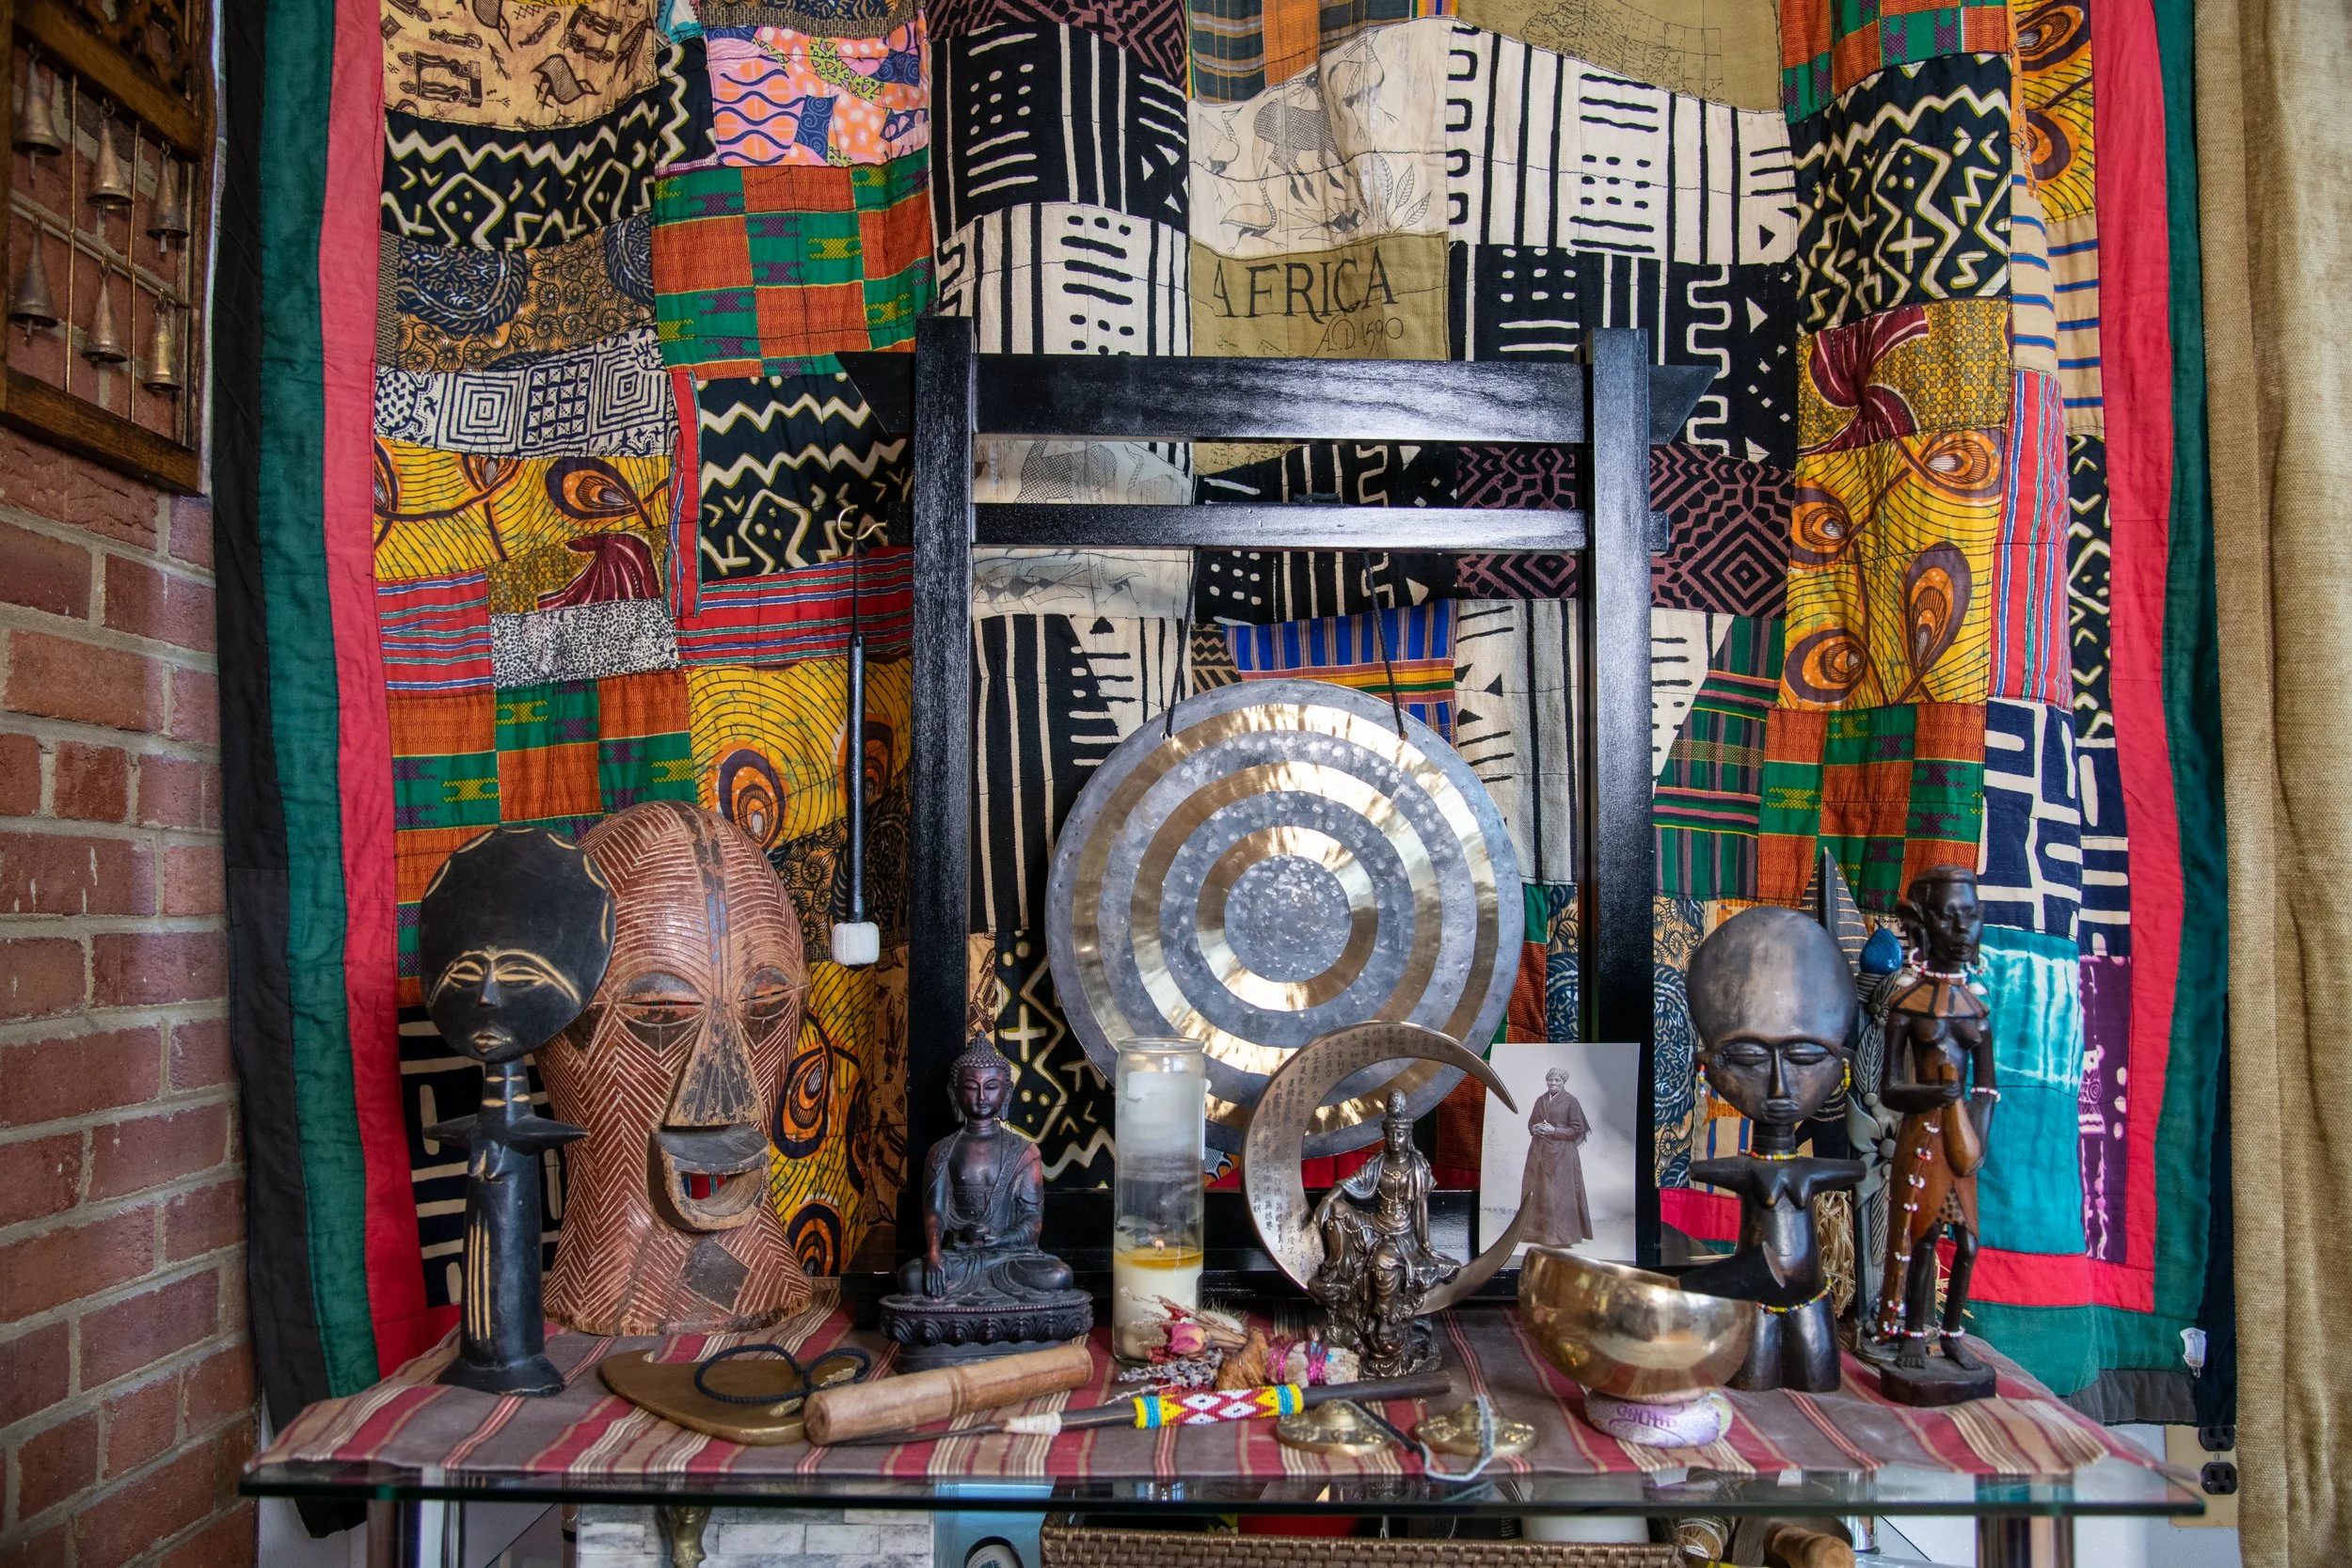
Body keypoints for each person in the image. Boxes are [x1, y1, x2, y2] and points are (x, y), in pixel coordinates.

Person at [1523, 1066, 1595, 1246]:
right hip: (1539, 1151)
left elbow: (1577, 1129)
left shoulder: (1571, 1101)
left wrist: (1554, 1130)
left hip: (1562, 1154)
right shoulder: (1540, 1100)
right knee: (1537, 1188)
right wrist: (1535, 1128)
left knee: (1559, 1193)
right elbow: (1531, 1123)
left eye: (1557, 1080)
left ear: (1563, 1083)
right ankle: (1537, 1234)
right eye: (1550, 1080)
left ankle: (1560, 1237)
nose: (1553, 1083)